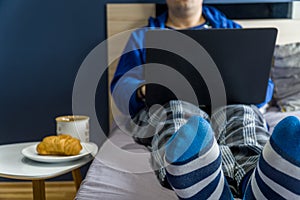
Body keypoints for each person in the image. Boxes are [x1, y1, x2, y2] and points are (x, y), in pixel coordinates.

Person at [111, 0, 300, 199]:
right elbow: (121, 86)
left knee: (243, 115)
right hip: (170, 104)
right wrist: (142, 89)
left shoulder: (232, 31)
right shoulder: (142, 37)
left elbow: (262, 84)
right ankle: (199, 181)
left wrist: (249, 88)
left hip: (227, 105)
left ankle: (257, 183)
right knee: (179, 118)